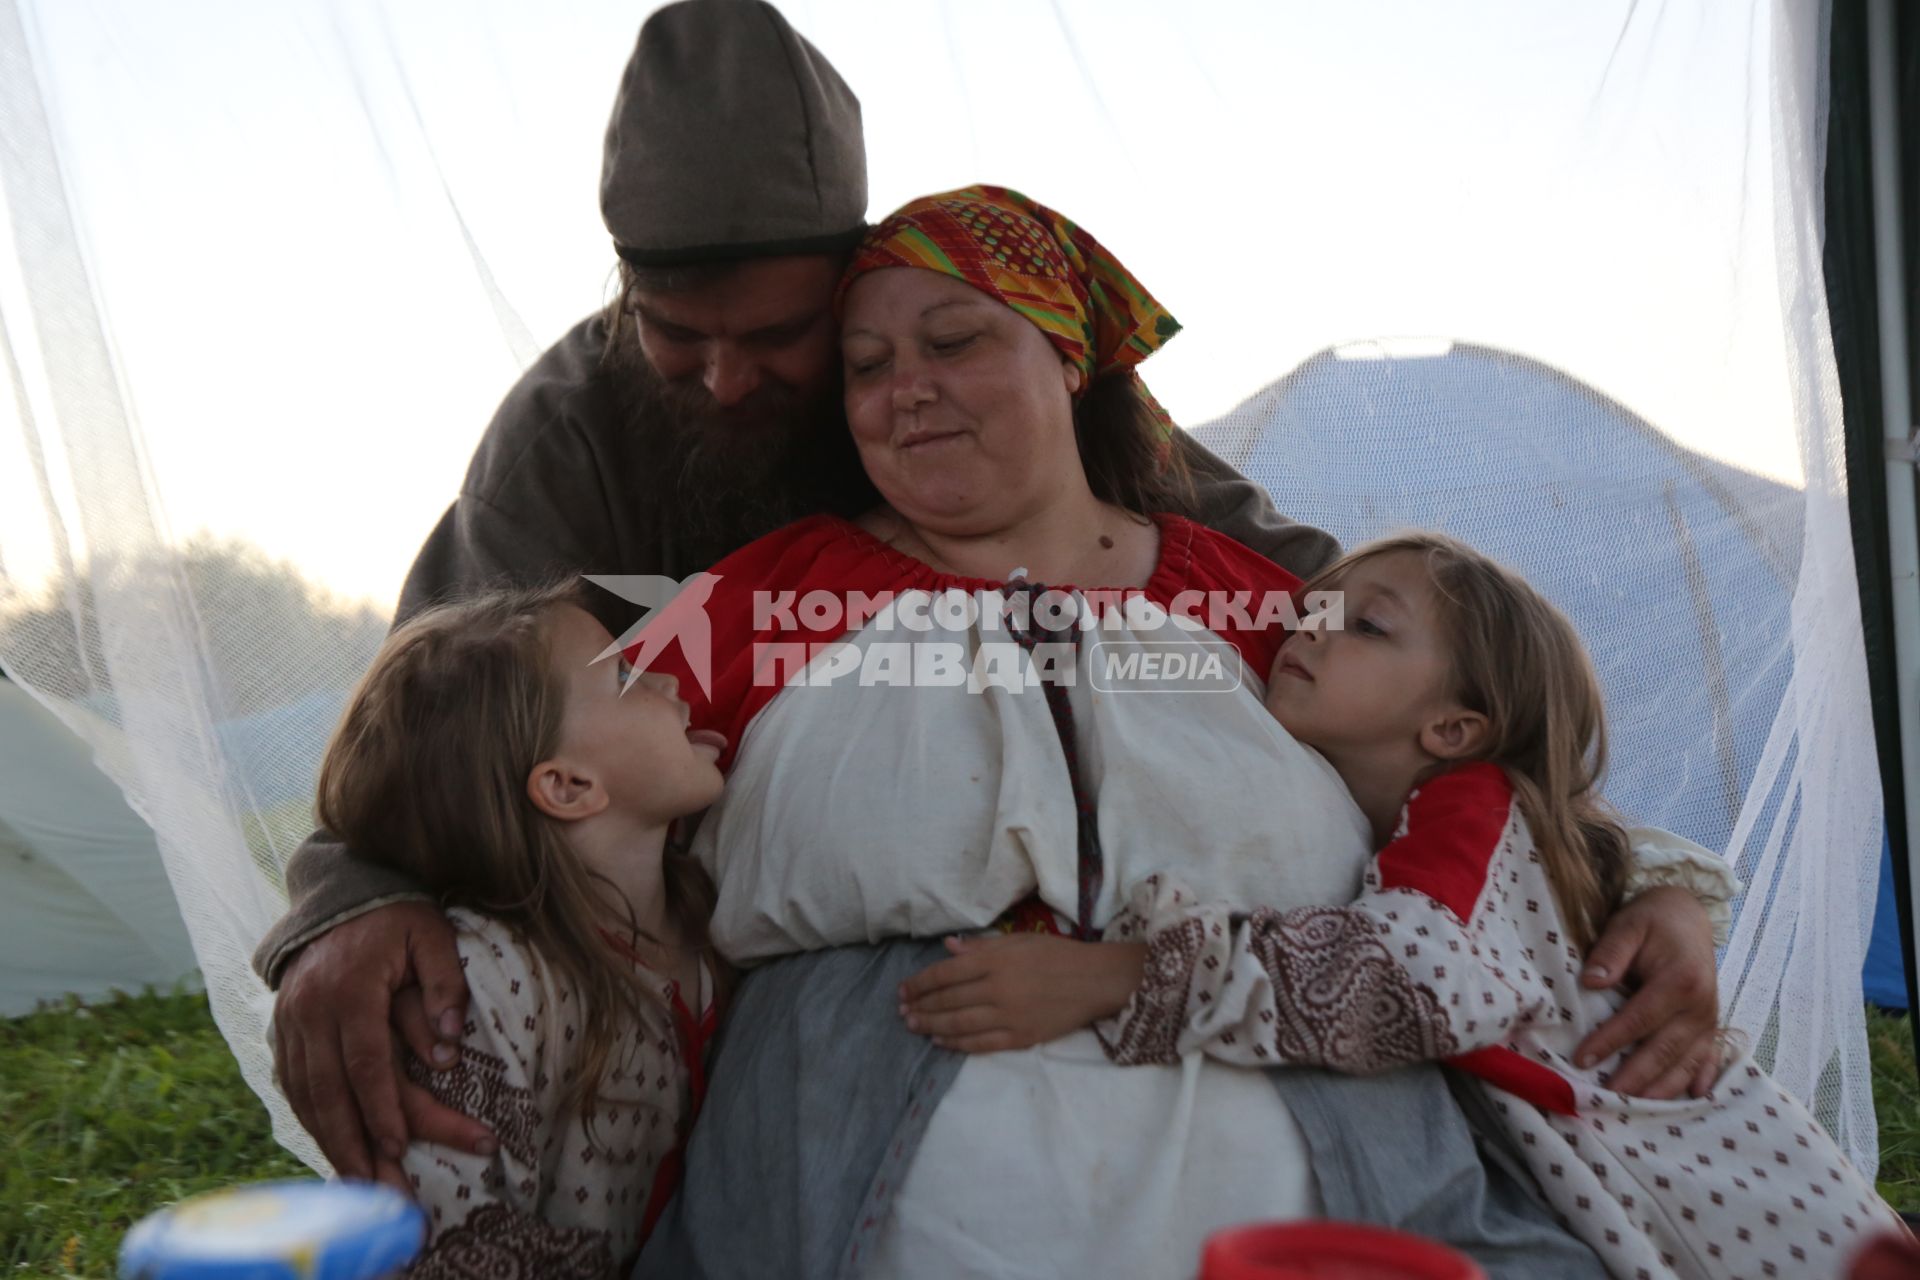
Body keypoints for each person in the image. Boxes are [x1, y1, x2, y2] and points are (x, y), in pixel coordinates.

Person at [252, 0, 1334, 1190]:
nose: (724, 379)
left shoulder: (958, 360)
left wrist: (1543, 801)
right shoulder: (568, 430)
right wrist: (352, 904)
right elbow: (443, 708)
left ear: (848, 279)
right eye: (674, 333)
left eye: (779, 337)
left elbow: (1339, 601)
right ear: (626, 296)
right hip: (743, 954)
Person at [627, 185, 1735, 1280]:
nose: (906, 390)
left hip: (1321, 1123)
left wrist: (1658, 889)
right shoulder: (768, 598)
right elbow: (548, 769)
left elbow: (1469, 783)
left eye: (954, 341)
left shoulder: (1263, 605)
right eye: (867, 367)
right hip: (852, 1133)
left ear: (1068, 357)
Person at [905, 531, 1905, 1277]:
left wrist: (1121, 975)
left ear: (1454, 725)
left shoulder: (1470, 808)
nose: (1310, 623)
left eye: (1366, 624)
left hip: (1754, 1216)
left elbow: (1406, 975)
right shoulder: (1419, 818)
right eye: (1318, 604)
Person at [311, 581, 728, 1277]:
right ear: (567, 786)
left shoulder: (703, 923)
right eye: (626, 676)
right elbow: (435, 1229)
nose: (664, 674)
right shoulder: (487, 982)